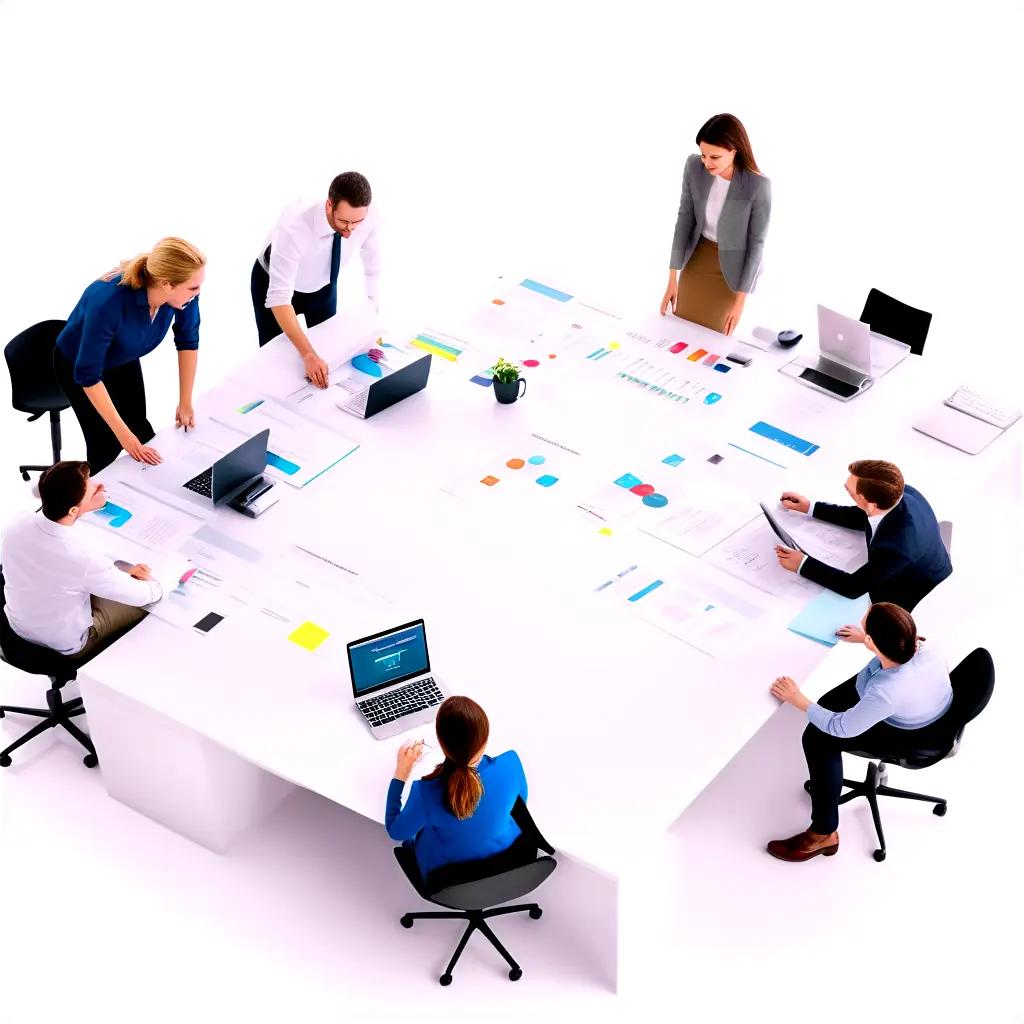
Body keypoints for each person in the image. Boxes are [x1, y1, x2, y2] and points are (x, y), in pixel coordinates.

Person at [766, 602, 953, 862]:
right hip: (930, 708)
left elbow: (840, 727)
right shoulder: (927, 646)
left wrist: (797, 699)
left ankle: (823, 833)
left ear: (874, 640)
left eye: (865, 625)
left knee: (817, 738)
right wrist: (865, 641)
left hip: (908, 733)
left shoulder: (886, 692)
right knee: (831, 704)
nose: (861, 620)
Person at [53, 237, 206, 474]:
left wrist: (185, 402)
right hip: (79, 363)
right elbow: (88, 375)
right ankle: (82, 499)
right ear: (167, 284)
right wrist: (125, 438)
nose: (198, 293)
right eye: (193, 287)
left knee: (142, 430)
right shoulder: (109, 302)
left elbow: (188, 340)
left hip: (122, 355)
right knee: (106, 444)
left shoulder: (184, 297)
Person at [0, 462, 167, 662]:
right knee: (151, 603)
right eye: (92, 489)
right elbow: (143, 596)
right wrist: (151, 583)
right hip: (67, 643)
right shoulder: (79, 556)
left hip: (17, 626)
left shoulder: (16, 524)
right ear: (71, 510)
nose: (99, 486)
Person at [251, 171, 381, 388]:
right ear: (329, 205)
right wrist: (308, 354)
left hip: (323, 284)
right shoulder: (294, 226)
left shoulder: (367, 216)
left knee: (328, 354)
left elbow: (372, 265)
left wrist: (372, 314)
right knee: (278, 361)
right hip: (274, 286)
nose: (350, 229)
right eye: (344, 221)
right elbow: (279, 297)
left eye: (357, 222)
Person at [385, 696, 530, 887]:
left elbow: (397, 832)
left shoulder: (425, 792)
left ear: (441, 742)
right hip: (509, 859)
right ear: (485, 738)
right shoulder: (511, 763)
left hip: (450, 879)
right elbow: (520, 805)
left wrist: (401, 772)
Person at [774, 459, 952, 611]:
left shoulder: (897, 548)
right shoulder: (900, 492)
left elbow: (852, 587)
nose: (846, 487)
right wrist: (810, 507)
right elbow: (862, 515)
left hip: (909, 595)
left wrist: (802, 564)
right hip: (926, 562)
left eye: (851, 492)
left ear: (872, 504)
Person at [660, 113, 771, 335]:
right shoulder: (693, 167)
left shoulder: (757, 185)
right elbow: (685, 218)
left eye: (715, 157)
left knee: (713, 334)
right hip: (699, 255)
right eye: (703, 155)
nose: (707, 163)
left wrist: (740, 302)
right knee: (680, 326)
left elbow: (756, 244)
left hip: (732, 268)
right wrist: (672, 278)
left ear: (734, 150)